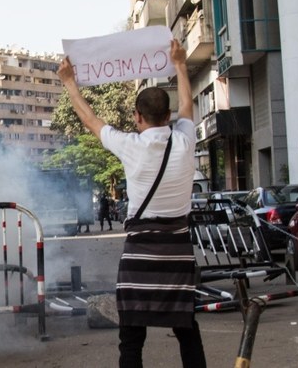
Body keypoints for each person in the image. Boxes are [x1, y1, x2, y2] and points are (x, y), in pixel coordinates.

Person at [58, 39, 206, 367]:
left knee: (131, 340)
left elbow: (90, 121)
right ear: (167, 116)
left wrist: (69, 82)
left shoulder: (130, 146)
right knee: (187, 330)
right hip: (178, 257)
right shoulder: (184, 139)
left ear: (137, 116)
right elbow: (187, 106)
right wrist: (180, 64)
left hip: (139, 258)